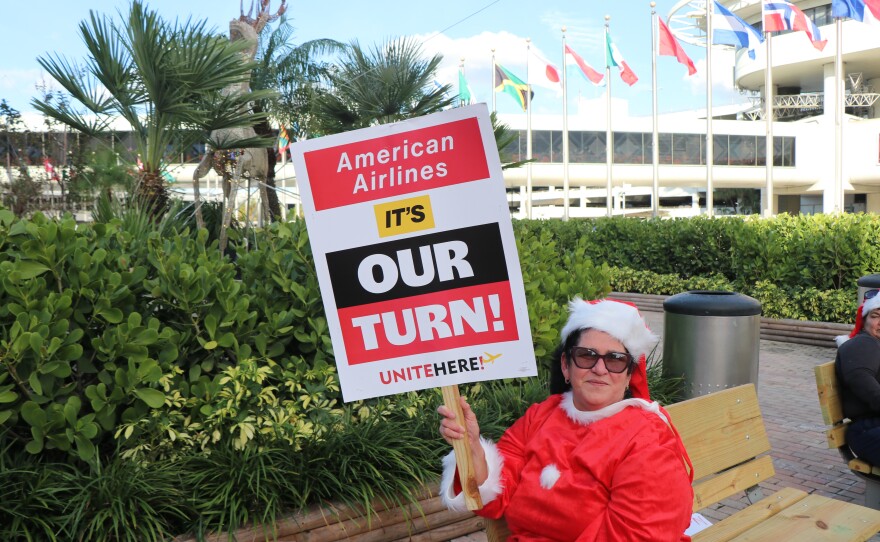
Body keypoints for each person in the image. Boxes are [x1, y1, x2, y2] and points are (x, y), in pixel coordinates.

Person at [437, 297, 694, 541]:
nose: (600, 368)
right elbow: (496, 493)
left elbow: (638, 535)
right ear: (565, 365)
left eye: (615, 359)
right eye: (586, 355)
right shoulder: (541, 415)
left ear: (629, 376)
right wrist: (472, 450)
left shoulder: (649, 439)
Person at [835, 289, 880, 465]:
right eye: (876, 315)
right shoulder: (863, 344)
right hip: (868, 430)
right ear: (864, 321)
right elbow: (864, 384)